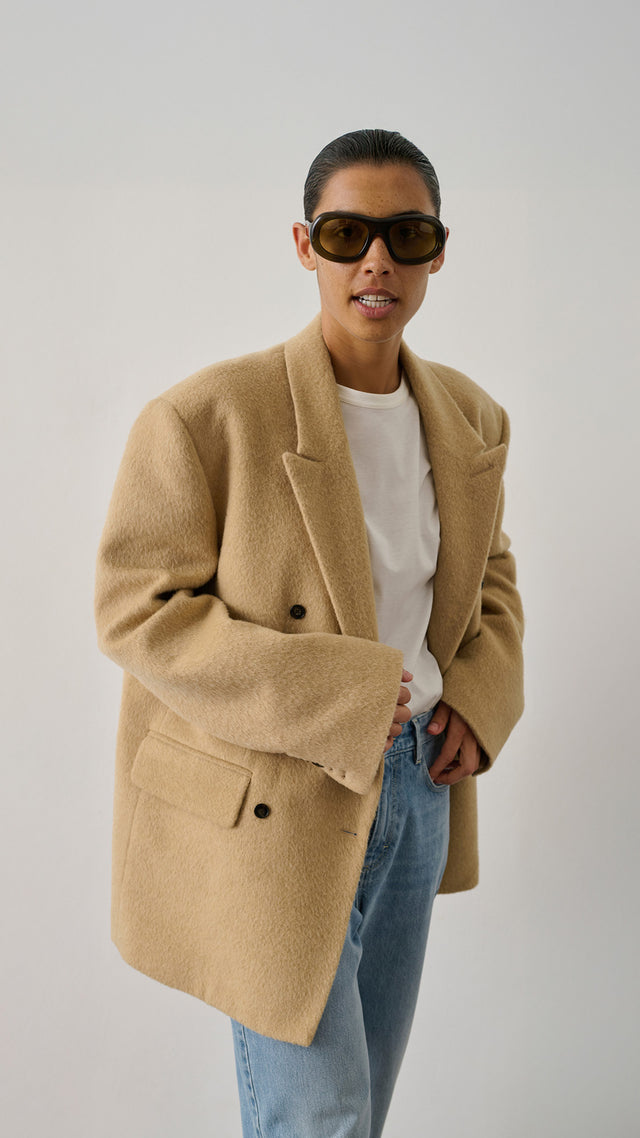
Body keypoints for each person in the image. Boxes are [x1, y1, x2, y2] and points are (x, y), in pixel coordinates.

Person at [94, 128, 524, 1137]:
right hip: (274, 800)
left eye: (405, 234)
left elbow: (491, 576)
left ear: (437, 252)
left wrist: (481, 694)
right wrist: (346, 694)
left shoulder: (472, 418)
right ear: (305, 246)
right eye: (346, 234)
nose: (376, 260)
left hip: (416, 786)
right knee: (321, 1115)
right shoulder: (210, 415)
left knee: (360, 1111)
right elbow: (136, 606)